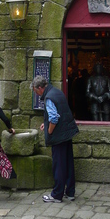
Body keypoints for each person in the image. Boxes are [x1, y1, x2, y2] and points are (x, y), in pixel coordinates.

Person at [31, 75, 79, 203]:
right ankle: (70, 192)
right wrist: (45, 123)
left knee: (58, 165)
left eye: (35, 91)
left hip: (59, 136)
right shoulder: (56, 91)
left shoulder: (48, 98)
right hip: (67, 133)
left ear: (40, 88)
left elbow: (54, 118)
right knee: (68, 163)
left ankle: (57, 195)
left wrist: (49, 131)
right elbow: (60, 112)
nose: (36, 94)